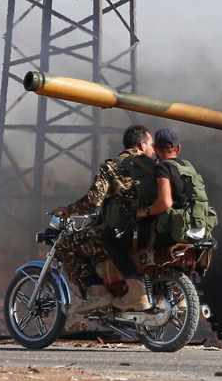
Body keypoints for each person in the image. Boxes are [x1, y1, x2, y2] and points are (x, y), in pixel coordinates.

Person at [52, 125, 155, 314]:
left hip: (120, 232)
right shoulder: (155, 167)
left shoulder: (112, 166)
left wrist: (69, 210)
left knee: (64, 245)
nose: (153, 150)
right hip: (150, 230)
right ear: (142, 145)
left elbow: (93, 200)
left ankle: (99, 292)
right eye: (151, 145)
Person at [139, 128, 217, 245]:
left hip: (179, 231)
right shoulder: (188, 165)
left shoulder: (162, 168)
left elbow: (165, 202)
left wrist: (146, 211)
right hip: (201, 229)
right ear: (178, 148)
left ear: (155, 149)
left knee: (135, 237)